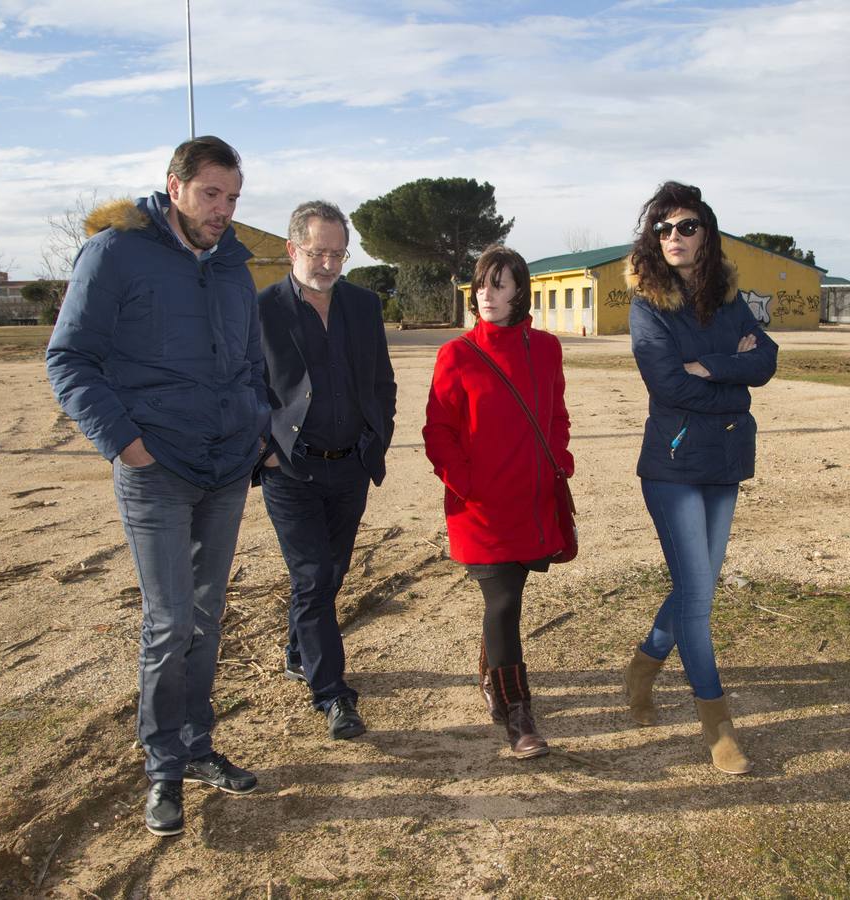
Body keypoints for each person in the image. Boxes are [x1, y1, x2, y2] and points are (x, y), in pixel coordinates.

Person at [46, 136, 269, 836]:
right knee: (169, 622)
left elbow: (249, 361)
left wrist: (257, 425)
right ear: (173, 187)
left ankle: (198, 746)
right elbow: (70, 359)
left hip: (226, 467)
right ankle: (162, 769)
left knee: (208, 618)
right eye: (211, 195)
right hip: (157, 469)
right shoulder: (116, 253)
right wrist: (126, 444)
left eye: (233, 198)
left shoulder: (234, 265)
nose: (223, 211)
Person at [621, 181, 778, 775]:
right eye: (663, 229)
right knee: (697, 598)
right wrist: (732, 384)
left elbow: (765, 359)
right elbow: (667, 384)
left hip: (725, 459)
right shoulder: (646, 306)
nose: (674, 238)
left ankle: (644, 663)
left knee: (698, 584)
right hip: (673, 464)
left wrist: (714, 367)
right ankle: (718, 724)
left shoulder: (729, 299)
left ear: (705, 234)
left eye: (685, 227)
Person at [423, 245, 573, 759]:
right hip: (480, 510)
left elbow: (556, 414)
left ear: (520, 292)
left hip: (531, 505)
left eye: (500, 284)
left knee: (507, 604)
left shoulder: (547, 348)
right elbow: (437, 431)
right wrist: (467, 485)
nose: (487, 293)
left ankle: (491, 675)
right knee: (504, 603)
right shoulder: (457, 354)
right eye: (482, 284)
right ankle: (518, 716)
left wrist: (558, 460)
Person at [256, 201, 397, 741]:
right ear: (293, 249)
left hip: (351, 467)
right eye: (319, 253)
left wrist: (376, 435)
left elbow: (381, 380)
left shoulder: (363, 306)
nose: (330, 264)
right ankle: (333, 694)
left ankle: (298, 648)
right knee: (313, 576)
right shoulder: (263, 308)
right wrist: (264, 448)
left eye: (339, 253)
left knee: (330, 574)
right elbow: (245, 385)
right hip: (289, 470)